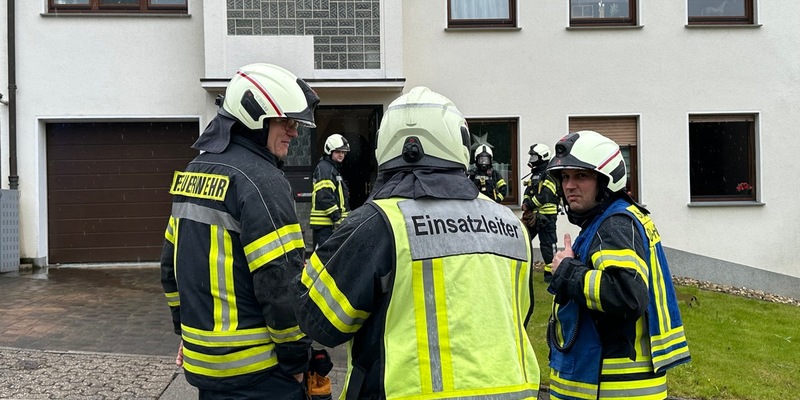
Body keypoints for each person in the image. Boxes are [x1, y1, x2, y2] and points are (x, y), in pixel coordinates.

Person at [294, 86, 541, 399]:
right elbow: (518, 315)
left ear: (386, 145)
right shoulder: (510, 224)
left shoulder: (376, 223)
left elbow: (319, 321)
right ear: (459, 143)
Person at [160, 63, 319, 399]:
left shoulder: (193, 171)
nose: (294, 131)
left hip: (206, 371)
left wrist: (186, 334)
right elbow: (279, 285)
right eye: (285, 121)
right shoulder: (263, 182)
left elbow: (170, 269)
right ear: (254, 118)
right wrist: (297, 359)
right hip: (259, 374)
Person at [545, 130, 691, 399]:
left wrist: (566, 271)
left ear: (606, 180)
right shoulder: (610, 220)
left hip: (613, 386)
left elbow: (626, 295)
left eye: (581, 176)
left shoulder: (615, 225)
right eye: (565, 177)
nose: (569, 186)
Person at [521, 143, 560, 282]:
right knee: (522, 240)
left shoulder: (549, 175)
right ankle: (522, 270)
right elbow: (528, 192)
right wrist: (525, 203)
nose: (531, 160)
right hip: (534, 216)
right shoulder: (535, 175)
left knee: (548, 246)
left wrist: (530, 205)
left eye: (534, 157)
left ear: (543, 157)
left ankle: (552, 275)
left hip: (547, 217)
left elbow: (546, 195)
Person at [310, 133, 351, 249]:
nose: (341, 155)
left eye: (343, 152)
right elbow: (324, 196)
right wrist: (336, 218)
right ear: (329, 151)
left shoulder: (332, 168)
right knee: (327, 258)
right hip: (327, 224)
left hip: (329, 224)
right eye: (338, 152)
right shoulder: (325, 169)